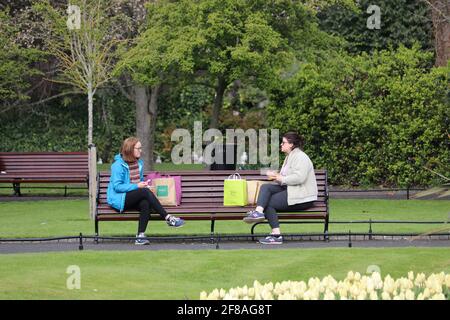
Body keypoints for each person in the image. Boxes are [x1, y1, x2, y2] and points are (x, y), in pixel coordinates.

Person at [107, 137, 185, 245]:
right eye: (138, 148)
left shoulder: (139, 163)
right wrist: (137, 186)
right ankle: (168, 218)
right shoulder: (117, 166)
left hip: (133, 196)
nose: (141, 150)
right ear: (130, 149)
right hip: (120, 199)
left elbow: (140, 181)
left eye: (141, 148)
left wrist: (145, 186)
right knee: (144, 192)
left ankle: (140, 236)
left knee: (145, 202)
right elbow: (117, 187)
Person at [243, 132, 318, 245]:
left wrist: (280, 178)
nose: (281, 145)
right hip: (292, 191)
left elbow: (299, 178)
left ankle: (276, 235)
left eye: (283, 143)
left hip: (303, 197)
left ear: (291, 144)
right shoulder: (290, 157)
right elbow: (285, 177)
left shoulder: (300, 157)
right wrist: (275, 176)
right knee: (266, 187)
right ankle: (258, 212)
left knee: (268, 203)